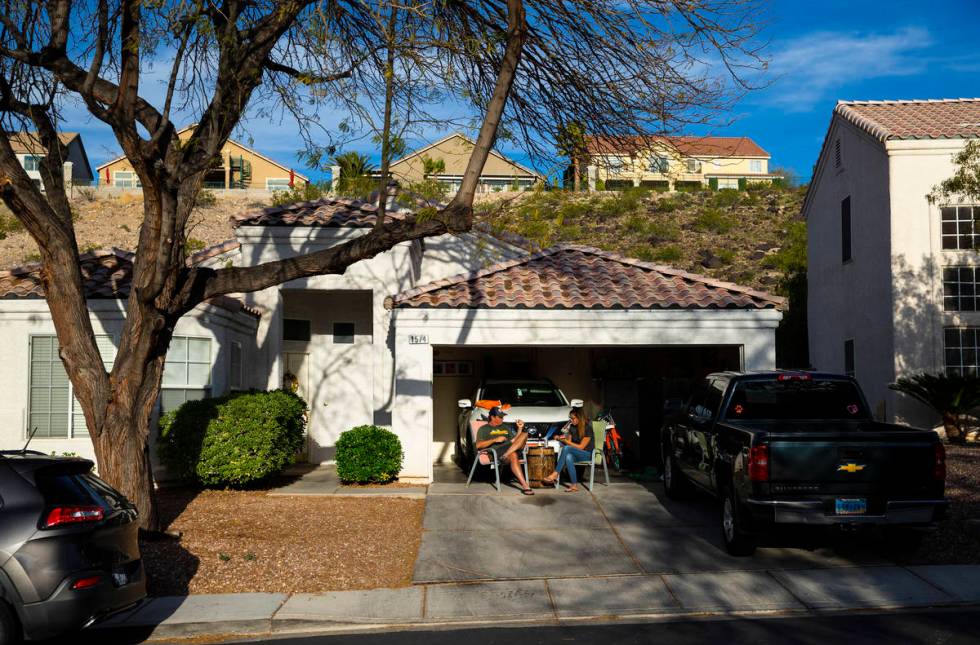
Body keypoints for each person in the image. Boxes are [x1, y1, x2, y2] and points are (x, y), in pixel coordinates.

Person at [475, 405, 533, 495]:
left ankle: (506, 454)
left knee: (525, 433)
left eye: (503, 417)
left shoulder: (505, 427)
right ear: (492, 417)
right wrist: (494, 440)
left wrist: (520, 428)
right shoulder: (484, 429)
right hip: (497, 451)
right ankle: (525, 485)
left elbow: (514, 440)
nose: (502, 419)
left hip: (510, 449)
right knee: (513, 455)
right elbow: (478, 445)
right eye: (500, 417)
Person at [542, 406, 594, 492]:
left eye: (573, 418)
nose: (571, 420)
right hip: (575, 453)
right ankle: (574, 485)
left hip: (587, 454)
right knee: (568, 456)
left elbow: (581, 447)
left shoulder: (587, 428)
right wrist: (560, 438)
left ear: (579, 418)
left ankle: (555, 473)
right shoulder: (572, 427)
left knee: (567, 449)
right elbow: (569, 443)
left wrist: (566, 442)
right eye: (570, 418)